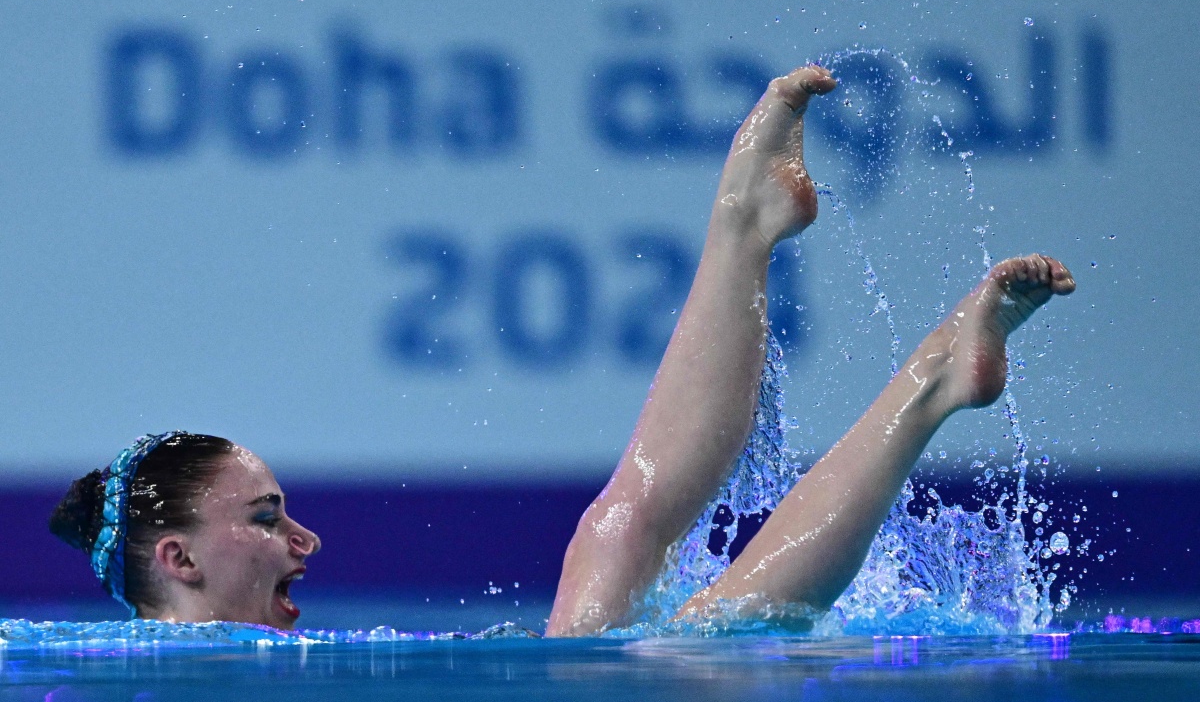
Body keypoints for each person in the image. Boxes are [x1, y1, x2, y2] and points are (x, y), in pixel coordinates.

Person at [49, 64, 1074, 634]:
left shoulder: (226, 680)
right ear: (175, 559)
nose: (304, 541)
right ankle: (922, 378)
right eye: (267, 519)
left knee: (613, 539)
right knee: (686, 649)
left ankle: (751, 237)